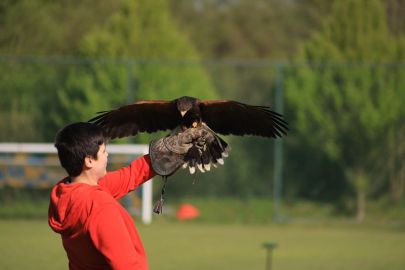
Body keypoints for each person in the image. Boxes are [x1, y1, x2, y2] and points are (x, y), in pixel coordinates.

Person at [48, 122, 209, 270]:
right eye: (104, 151)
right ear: (89, 161)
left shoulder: (67, 194)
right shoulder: (100, 207)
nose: (107, 156)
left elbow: (130, 176)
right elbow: (126, 265)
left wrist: (170, 150)